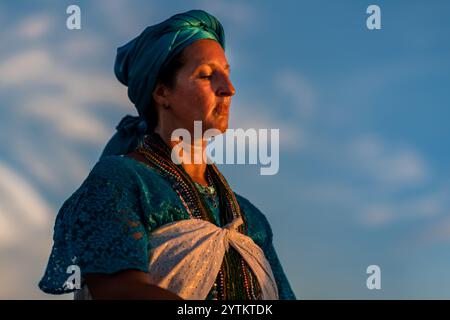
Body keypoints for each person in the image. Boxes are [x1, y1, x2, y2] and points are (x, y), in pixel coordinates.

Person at [39, 9, 296, 300]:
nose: (229, 89)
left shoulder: (250, 219)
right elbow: (119, 291)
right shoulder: (121, 181)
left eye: (227, 73)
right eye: (207, 75)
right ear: (162, 93)